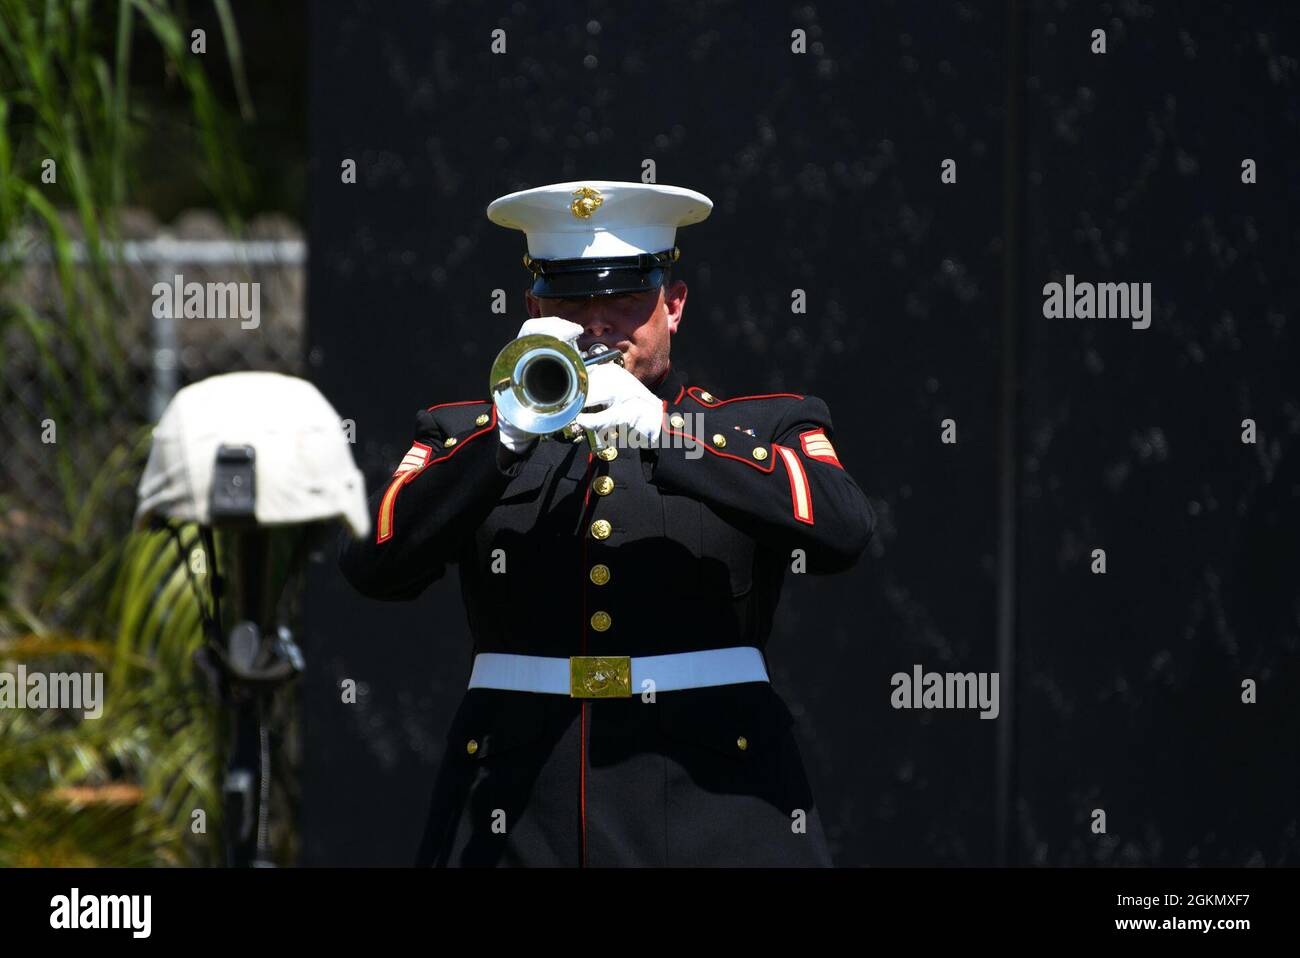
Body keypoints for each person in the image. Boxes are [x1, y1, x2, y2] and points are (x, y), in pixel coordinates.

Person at [338, 180, 874, 866]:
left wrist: (665, 431)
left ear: (672, 306)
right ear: (532, 311)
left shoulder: (760, 425)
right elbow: (373, 562)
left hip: (715, 810)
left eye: (624, 300)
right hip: (517, 817)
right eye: (569, 301)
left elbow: (843, 526)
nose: (598, 324)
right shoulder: (465, 436)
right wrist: (506, 436)